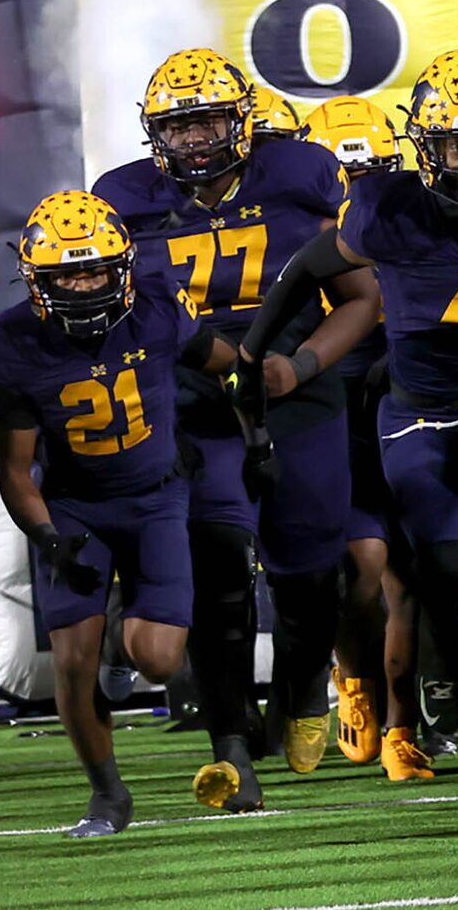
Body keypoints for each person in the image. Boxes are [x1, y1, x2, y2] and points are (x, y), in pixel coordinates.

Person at [244, 49, 458, 830]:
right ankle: (435, 666)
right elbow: (306, 267)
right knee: (451, 557)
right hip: (419, 407)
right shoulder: (385, 208)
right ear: (425, 148)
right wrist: (254, 349)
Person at [94, 48, 380, 808]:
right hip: (191, 400)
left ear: (242, 122)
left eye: (208, 121)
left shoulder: (299, 174)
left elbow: (361, 297)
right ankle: (230, 742)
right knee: (218, 564)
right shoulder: (123, 197)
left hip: (292, 388)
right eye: (178, 126)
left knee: (310, 570)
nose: (193, 141)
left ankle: (303, 684)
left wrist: (306, 365)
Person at [0, 194, 248, 836]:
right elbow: (16, 472)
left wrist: (257, 423)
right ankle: (107, 794)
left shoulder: (157, 308)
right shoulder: (14, 342)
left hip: (158, 497)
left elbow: (227, 364)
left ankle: (121, 617)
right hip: (75, 509)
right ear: (37, 282)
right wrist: (47, 537)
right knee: (73, 660)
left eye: (95, 269)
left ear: (121, 266)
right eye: (67, 274)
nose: (83, 284)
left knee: (157, 661)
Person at [298, 95, 409, 772]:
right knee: (362, 567)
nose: (359, 193)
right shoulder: (299, 235)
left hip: (414, 394)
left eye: (373, 175)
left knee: (423, 568)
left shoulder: (418, 216)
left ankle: (410, 712)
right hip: (337, 403)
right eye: (345, 179)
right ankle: (358, 688)